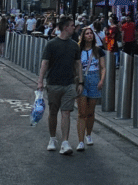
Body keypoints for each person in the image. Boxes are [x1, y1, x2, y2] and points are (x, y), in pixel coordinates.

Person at [37, 16, 83, 155]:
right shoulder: (51, 44)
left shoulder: (74, 45)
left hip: (69, 84)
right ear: (65, 27)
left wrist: (80, 81)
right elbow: (44, 63)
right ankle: (52, 138)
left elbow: (78, 64)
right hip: (53, 83)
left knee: (66, 112)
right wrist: (40, 81)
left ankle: (65, 142)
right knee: (52, 112)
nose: (74, 28)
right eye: (72, 25)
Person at [76, 26, 106, 151]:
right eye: (87, 33)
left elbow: (103, 67)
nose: (89, 35)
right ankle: (81, 140)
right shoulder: (78, 50)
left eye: (91, 33)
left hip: (94, 79)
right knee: (82, 112)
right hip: (82, 80)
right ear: (83, 36)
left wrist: (102, 80)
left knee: (90, 112)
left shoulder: (98, 51)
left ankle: (89, 134)